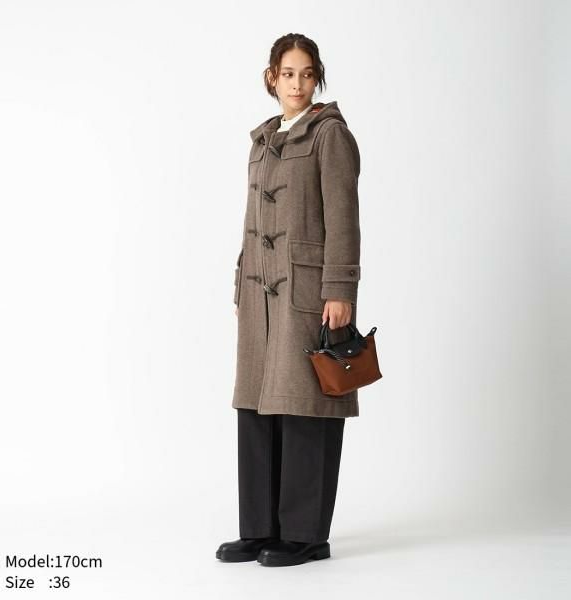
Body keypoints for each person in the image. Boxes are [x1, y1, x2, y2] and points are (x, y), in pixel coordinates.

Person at [217, 32, 362, 567]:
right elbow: (251, 221)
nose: (297, 84)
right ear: (271, 77)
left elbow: (343, 217)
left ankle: (305, 535)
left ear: (316, 77)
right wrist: (241, 283)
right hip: (260, 292)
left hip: (307, 291)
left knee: (305, 405)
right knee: (257, 404)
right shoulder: (263, 140)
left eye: (306, 73)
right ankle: (260, 528)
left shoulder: (330, 135)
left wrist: (340, 288)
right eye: (287, 73)